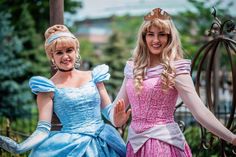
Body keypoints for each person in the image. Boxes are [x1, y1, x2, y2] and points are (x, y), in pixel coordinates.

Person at [111, 8, 236, 157]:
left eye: (161, 34)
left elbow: (200, 111)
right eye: (151, 34)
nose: (155, 40)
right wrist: (117, 120)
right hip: (135, 147)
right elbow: (115, 112)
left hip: (164, 146)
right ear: (144, 37)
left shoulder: (176, 69)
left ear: (170, 37)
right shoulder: (132, 68)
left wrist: (233, 138)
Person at [0, 24, 126, 157]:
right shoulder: (47, 88)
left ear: (76, 51)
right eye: (59, 52)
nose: (65, 56)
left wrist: (117, 118)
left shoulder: (94, 77)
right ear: (52, 57)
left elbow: (108, 111)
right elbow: (43, 129)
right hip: (72, 147)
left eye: (69, 50)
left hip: (104, 142)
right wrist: (20, 148)